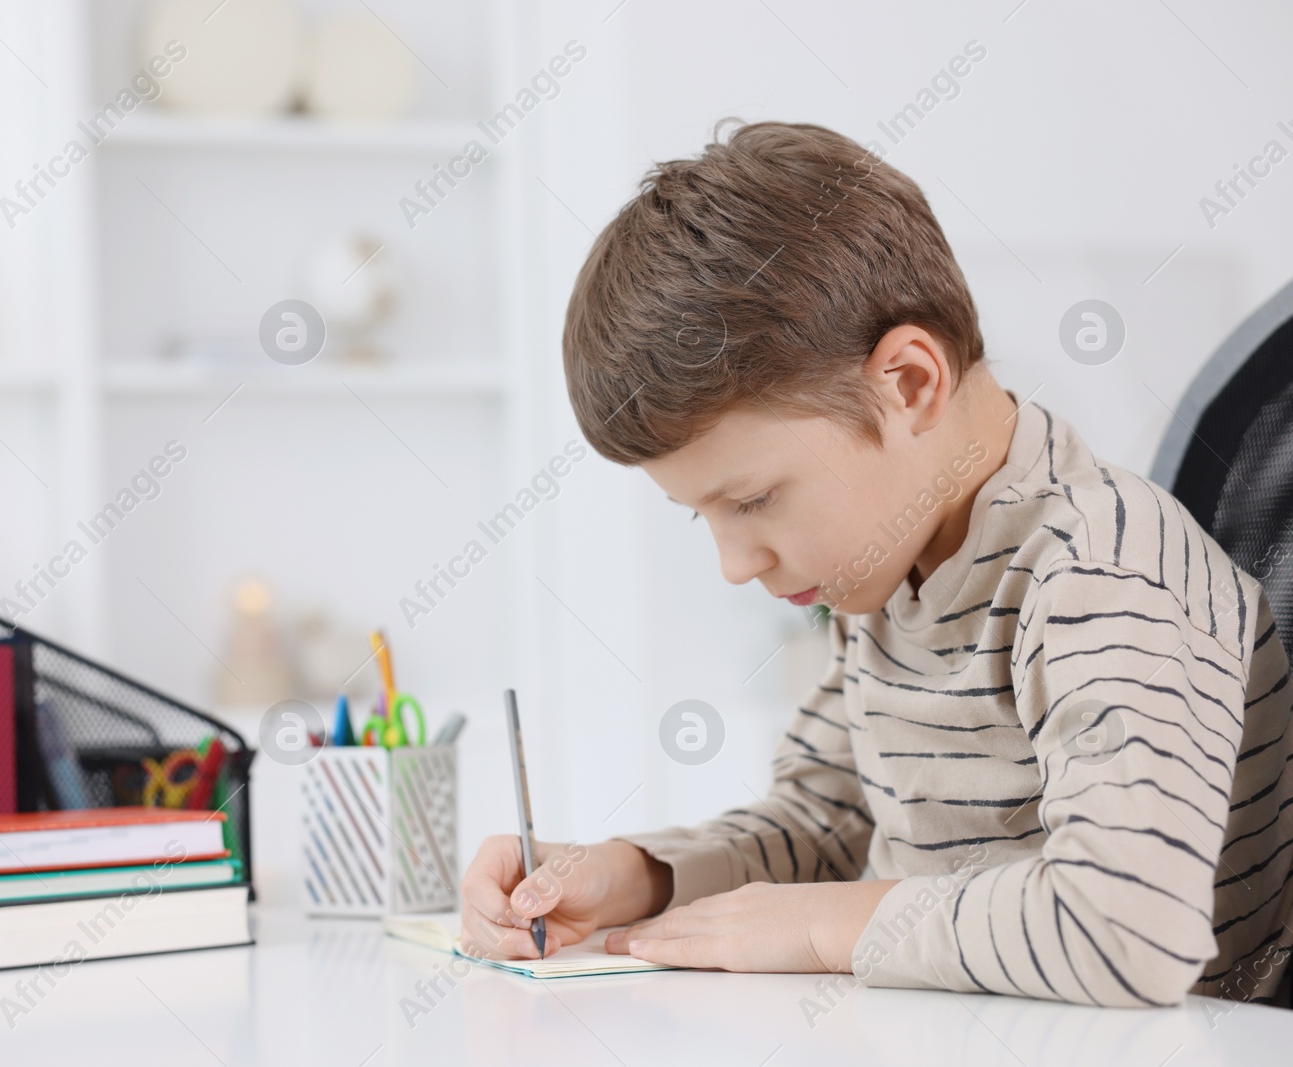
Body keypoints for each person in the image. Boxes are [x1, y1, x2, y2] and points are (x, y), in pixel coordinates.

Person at [459, 121, 1293, 1007]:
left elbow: (1128, 930)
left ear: (907, 385)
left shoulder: (1105, 570)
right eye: (699, 514)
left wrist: (817, 924)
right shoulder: (885, 574)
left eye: (752, 501)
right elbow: (817, 825)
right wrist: (636, 877)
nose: (736, 563)